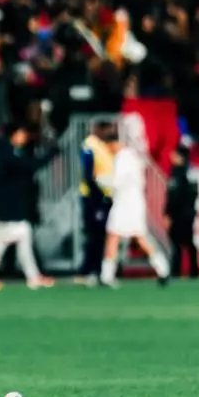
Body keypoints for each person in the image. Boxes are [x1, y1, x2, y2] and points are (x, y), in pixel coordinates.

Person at [0, 125, 55, 291]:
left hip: (13, 205)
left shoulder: (12, 151)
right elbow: (28, 166)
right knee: (2, 242)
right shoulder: (6, 152)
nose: (24, 137)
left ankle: (31, 277)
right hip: (8, 207)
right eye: (21, 133)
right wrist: (50, 155)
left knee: (11, 241)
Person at [100, 134, 169, 288]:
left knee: (114, 236)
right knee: (138, 237)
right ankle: (162, 267)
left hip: (125, 203)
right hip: (134, 202)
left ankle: (107, 274)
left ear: (114, 144)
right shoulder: (133, 157)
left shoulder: (122, 158)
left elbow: (116, 182)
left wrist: (102, 181)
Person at [77, 121, 115, 285]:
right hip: (94, 196)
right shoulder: (90, 145)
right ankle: (88, 271)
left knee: (101, 235)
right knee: (95, 234)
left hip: (104, 196)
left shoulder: (103, 146)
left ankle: (96, 269)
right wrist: (97, 194)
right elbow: (89, 172)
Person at [164, 144, 199, 279]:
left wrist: (168, 213)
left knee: (177, 244)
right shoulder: (192, 172)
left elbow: (173, 197)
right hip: (189, 213)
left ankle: (176, 271)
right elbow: (195, 193)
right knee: (189, 242)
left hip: (178, 215)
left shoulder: (176, 173)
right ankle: (194, 271)